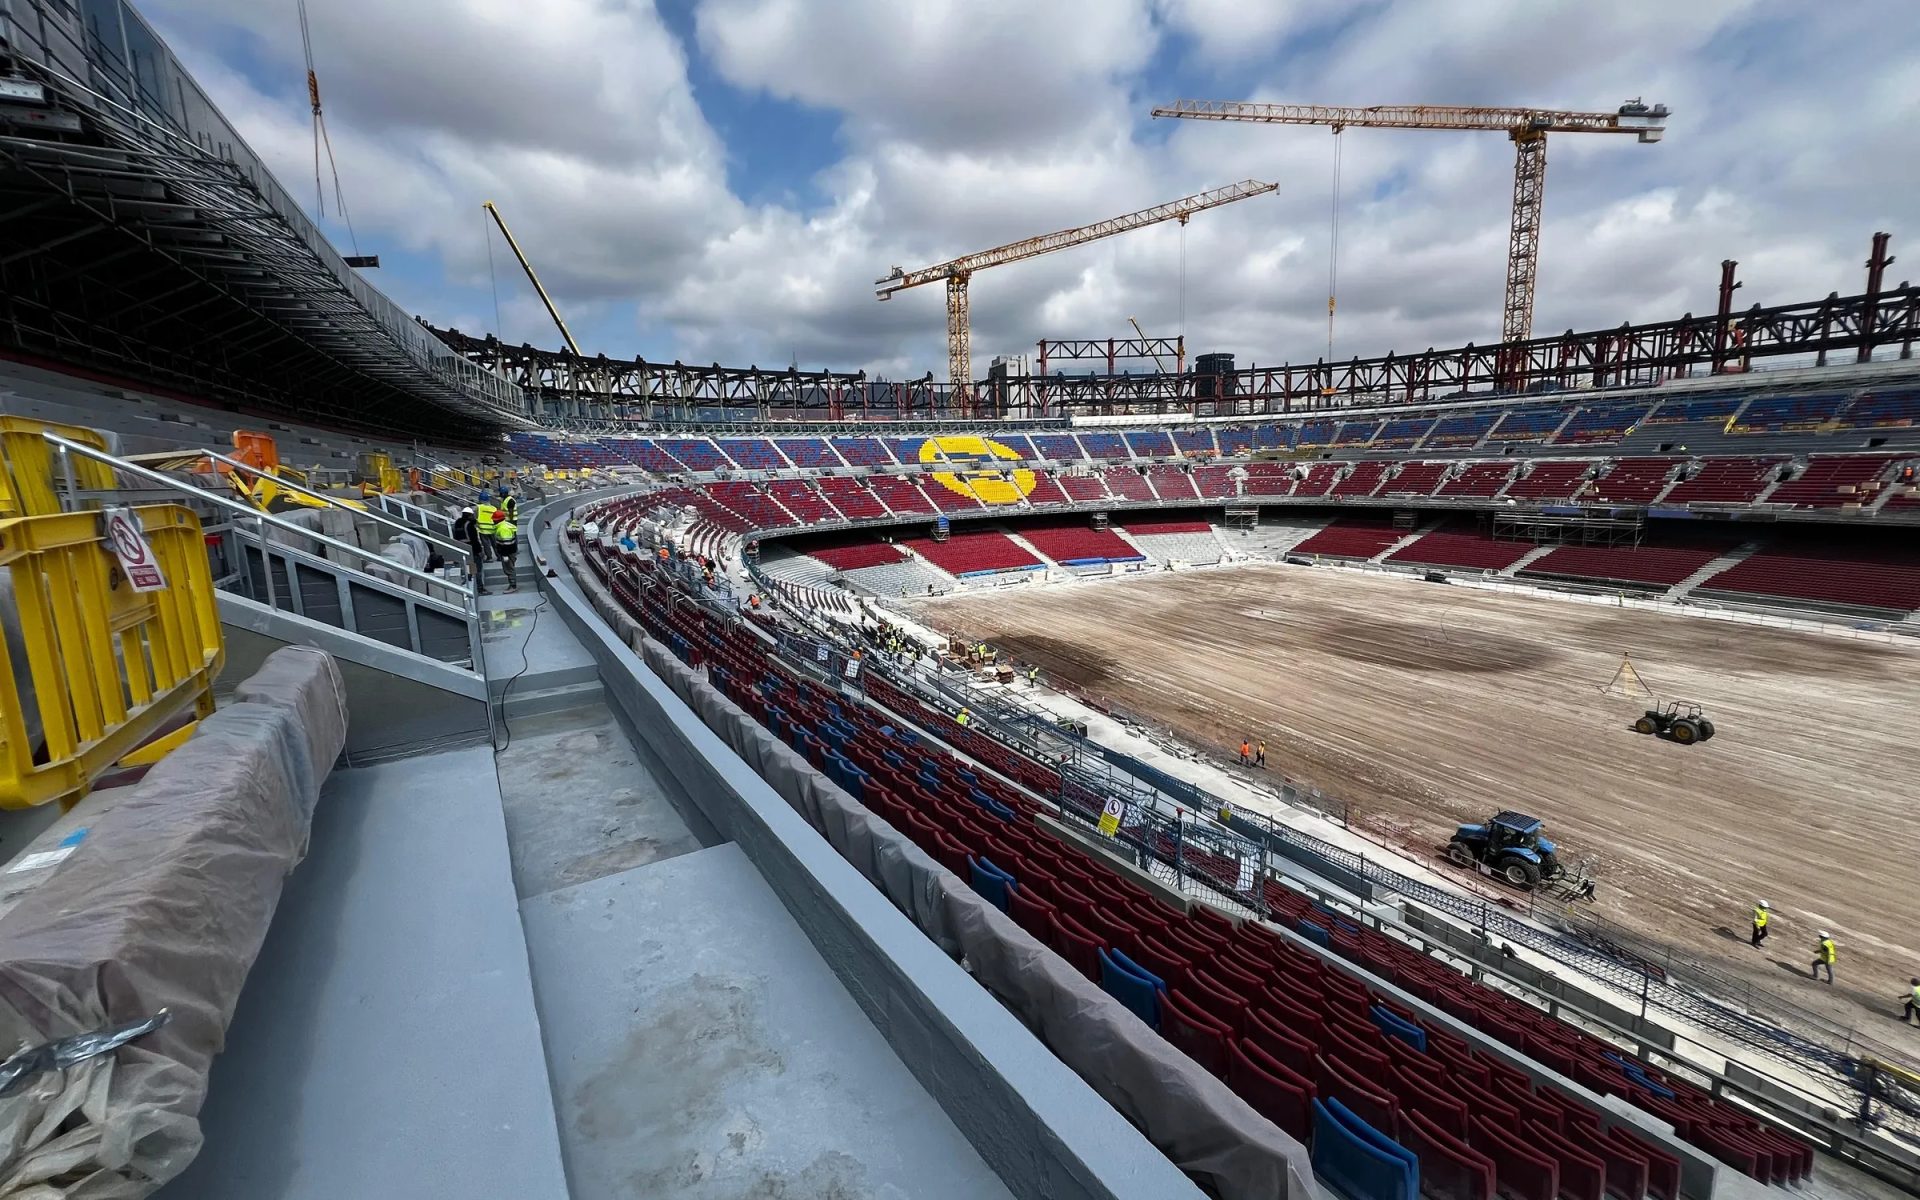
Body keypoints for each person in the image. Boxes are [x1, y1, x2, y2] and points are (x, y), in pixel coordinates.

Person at [451, 505, 490, 594]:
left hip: (462, 549)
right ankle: (480, 588)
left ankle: (470, 579)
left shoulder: (458, 523)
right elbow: (474, 540)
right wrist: (480, 551)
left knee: (470, 566)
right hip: (472, 550)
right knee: (478, 569)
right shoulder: (470, 525)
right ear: (469, 515)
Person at [493, 513, 520, 588]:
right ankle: (512, 584)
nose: (493, 521)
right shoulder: (505, 526)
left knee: (509, 569)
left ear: (497, 520)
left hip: (508, 553)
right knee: (510, 568)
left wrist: (505, 555)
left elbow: (506, 543)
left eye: (494, 520)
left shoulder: (503, 529)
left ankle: (513, 585)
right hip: (510, 552)